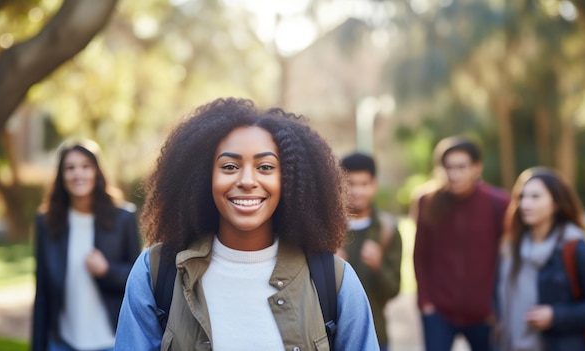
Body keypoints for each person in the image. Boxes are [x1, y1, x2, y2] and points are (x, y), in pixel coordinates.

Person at [114, 98, 379, 350]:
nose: (247, 181)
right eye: (229, 166)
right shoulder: (157, 273)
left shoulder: (334, 280)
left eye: (265, 167)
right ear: (202, 177)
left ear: (289, 180)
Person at [32, 138, 141, 351]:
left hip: (112, 342)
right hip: (62, 343)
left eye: (85, 166)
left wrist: (107, 271)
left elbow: (139, 281)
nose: (78, 174)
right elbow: (42, 293)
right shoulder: (47, 223)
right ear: (61, 176)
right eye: (70, 168)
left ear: (97, 172)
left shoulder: (123, 218)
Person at [412, 136, 510, 351]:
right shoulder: (427, 201)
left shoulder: (499, 202)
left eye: (461, 167)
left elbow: (508, 258)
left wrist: (497, 306)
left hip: (485, 314)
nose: (454, 174)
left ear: (477, 168)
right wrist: (425, 302)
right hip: (438, 312)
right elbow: (420, 254)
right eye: (448, 167)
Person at [496, 167, 585, 351]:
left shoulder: (573, 247)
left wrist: (556, 316)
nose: (525, 204)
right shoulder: (510, 247)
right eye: (522, 197)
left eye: (535, 197)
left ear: (556, 203)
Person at [337, 152, 402, 351]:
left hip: (375, 334)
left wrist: (378, 266)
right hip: (329, 333)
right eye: (350, 184)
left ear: (374, 185)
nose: (357, 191)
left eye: (364, 184)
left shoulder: (387, 229)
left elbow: (393, 290)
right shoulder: (326, 229)